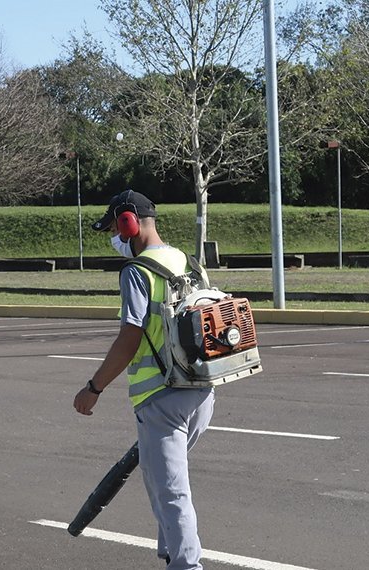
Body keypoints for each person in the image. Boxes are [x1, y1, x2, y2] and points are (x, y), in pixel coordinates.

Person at [73, 190, 215, 570]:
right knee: (161, 480)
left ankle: (186, 565)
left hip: (161, 396)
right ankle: (170, 552)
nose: (116, 240)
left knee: (171, 490)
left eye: (115, 230)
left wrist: (93, 388)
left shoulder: (138, 272)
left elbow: (129, 337)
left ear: (128, 223)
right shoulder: (190, 262)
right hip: (202, 391)